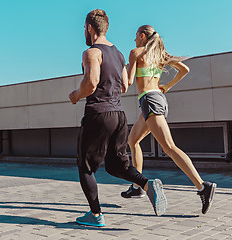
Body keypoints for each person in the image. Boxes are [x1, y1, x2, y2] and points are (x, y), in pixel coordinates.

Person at [68, 10, 167, 227]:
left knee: (85, 167)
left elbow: (91, 82)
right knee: (116, 166)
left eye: (84, 28)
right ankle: (147, 184)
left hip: (98, 114)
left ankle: (95, 216)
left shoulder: (91, 53)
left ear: (89, 28)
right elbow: (124, 85)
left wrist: (76, 94)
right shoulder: (118, 53)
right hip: (119, 116)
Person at [120, 25, 216, 215]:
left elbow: (129, 82)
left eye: (135, 37)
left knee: (169, 147)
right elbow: (185, 69)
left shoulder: (136, 53)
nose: (134, 40)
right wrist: (167, 86)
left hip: (149, 100)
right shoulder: (160, 55)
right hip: (156, 99)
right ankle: (138, 186)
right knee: (133, 140)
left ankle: (202, 186)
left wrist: (119, 69)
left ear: (142, 36)